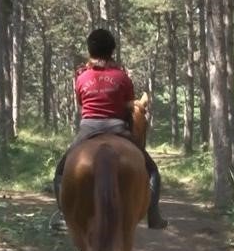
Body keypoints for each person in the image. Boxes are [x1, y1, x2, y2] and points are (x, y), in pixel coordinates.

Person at [52, 28, 168, 230]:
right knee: (152, 171)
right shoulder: (122, 78)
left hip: (88, 129)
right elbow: (127, 105)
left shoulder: (81, 79)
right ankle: (153, 214)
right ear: (112, 51)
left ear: (90, 51)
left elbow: (82, 104)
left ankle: (64, 215)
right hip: (117, 128)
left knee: (61, 171)